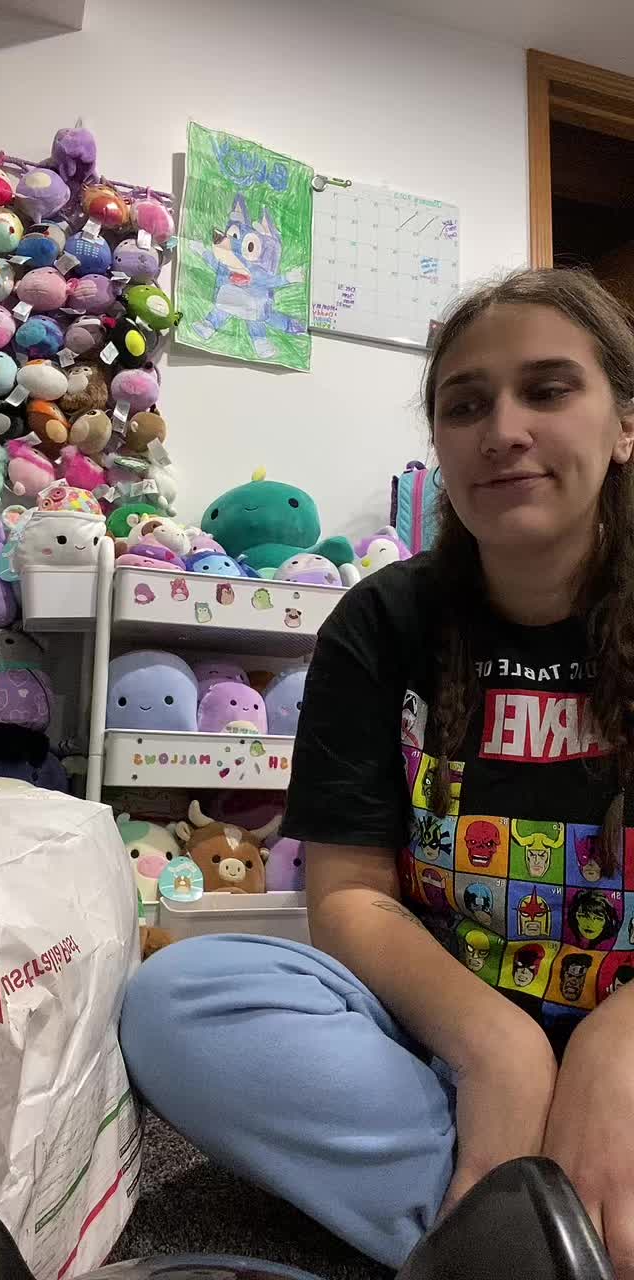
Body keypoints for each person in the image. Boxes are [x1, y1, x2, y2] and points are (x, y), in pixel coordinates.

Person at [120, 268, 634, 1277]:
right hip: (440, 1045)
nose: (504, 430)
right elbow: (349, 893)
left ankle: (499, 1231)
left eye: (548, 389)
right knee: (180, 995)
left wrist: (617, 1046)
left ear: (624, 424)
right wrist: (497, 1047)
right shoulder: (382, 619)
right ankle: (561, 1230)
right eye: (466, 405)